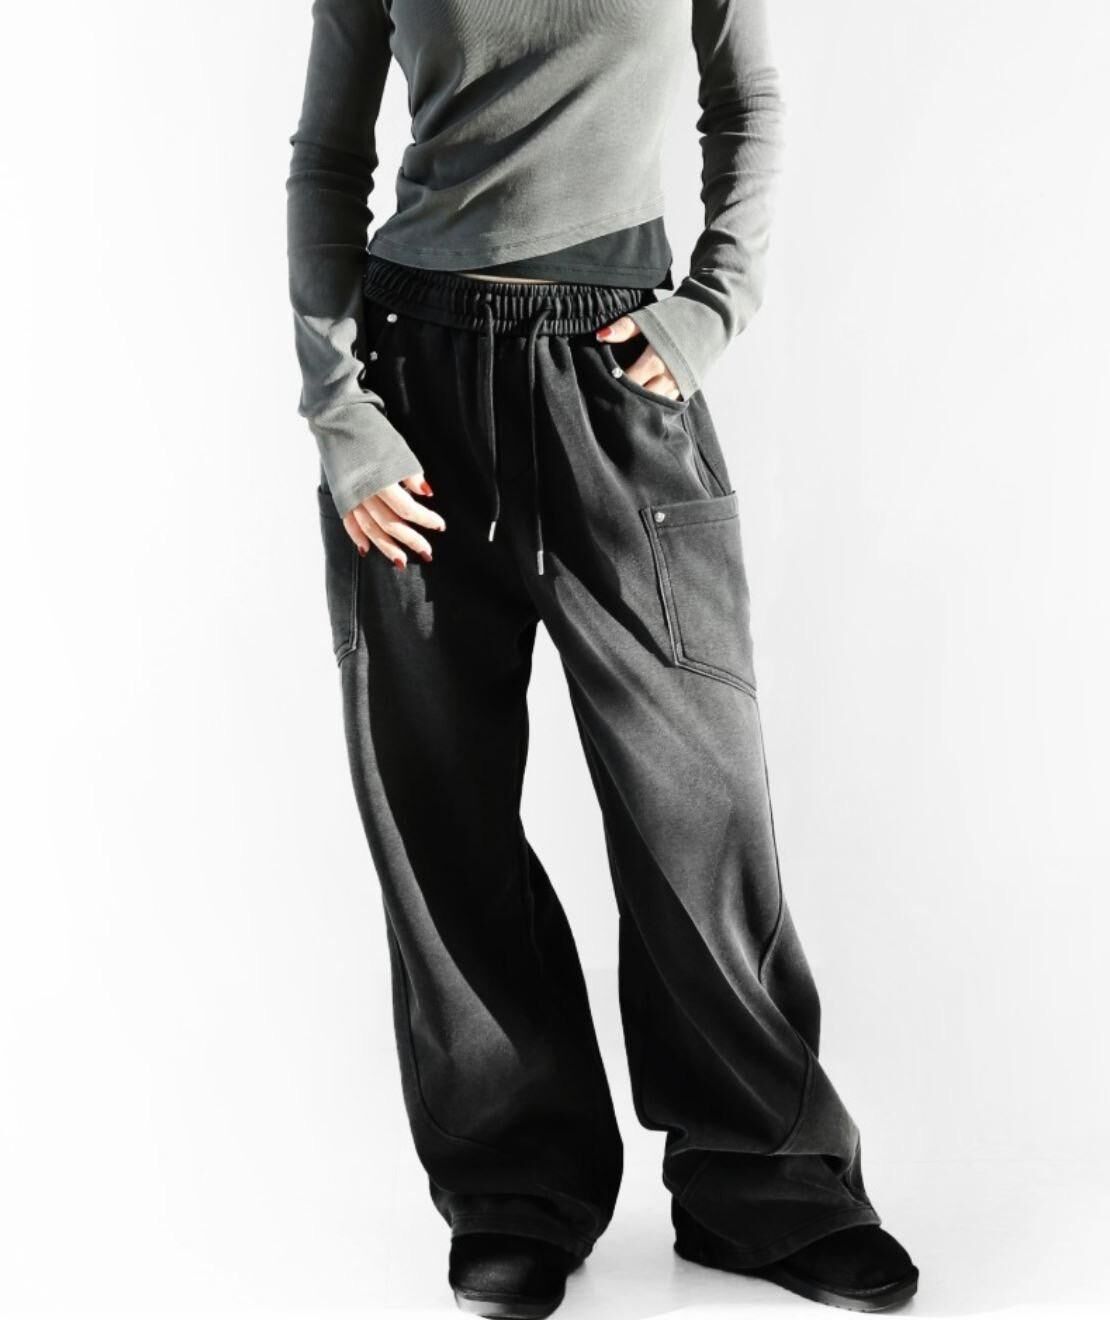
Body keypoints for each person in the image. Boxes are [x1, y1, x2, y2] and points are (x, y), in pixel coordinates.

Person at [285, 1, 919, 1314]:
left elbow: (746, 104)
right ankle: (515, 1189)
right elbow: (328, 160)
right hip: (413, 394)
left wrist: (714, 306)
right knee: (441, 815)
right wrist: (340, 411)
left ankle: (762, 1183)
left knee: (700, 806)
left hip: (617, 378)